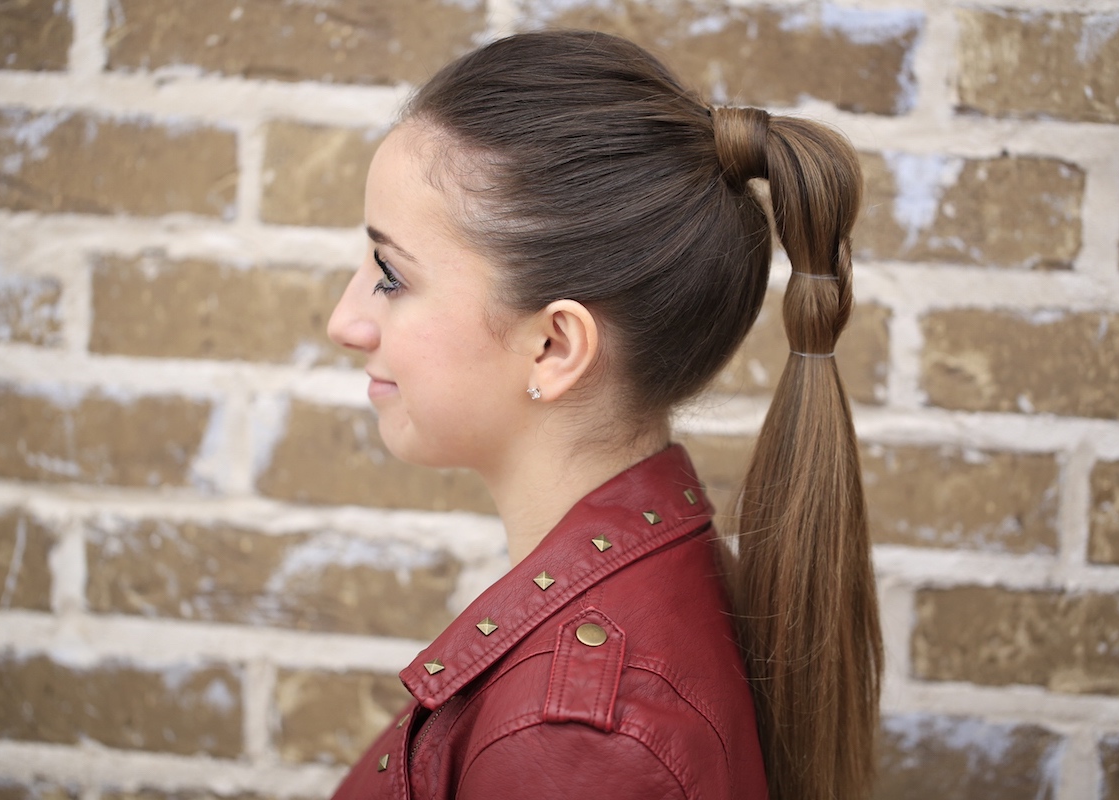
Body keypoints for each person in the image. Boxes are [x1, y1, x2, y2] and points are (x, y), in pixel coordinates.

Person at [326, 29, 882, 800]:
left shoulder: (583, 743)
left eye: (390, 276)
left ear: (554, 346)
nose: (345, 321)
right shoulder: (627, 646)